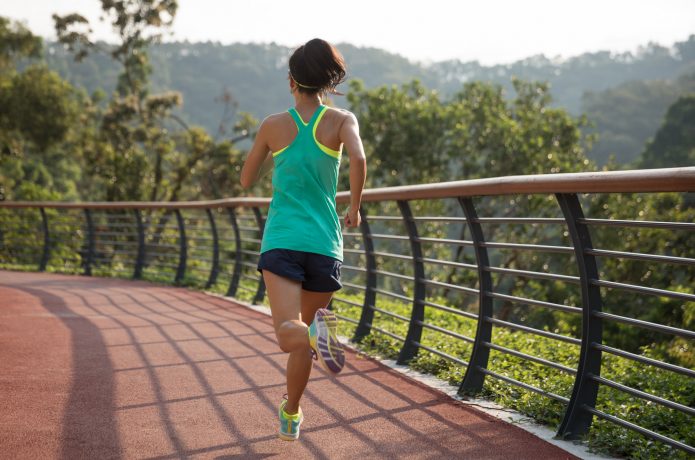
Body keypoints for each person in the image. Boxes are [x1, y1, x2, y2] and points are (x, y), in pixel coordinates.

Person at [240, 38, 367, 441]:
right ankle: (291, 414)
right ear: (326, 82)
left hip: (282, 240)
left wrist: (273, 158)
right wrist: (355, 208)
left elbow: (246, 179)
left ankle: (317, 334)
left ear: (292, 81)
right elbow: (360, 160)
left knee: (287, 332)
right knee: (302, 339)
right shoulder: (342, 120)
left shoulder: (273, 125)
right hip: (324, 243)